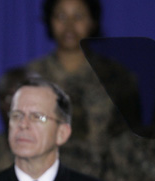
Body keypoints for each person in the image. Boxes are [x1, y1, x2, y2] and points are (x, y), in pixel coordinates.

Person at [26, 0, 140, 152]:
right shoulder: (30, 77)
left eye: (78, 16)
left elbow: (131, 142)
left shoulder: (117, 77)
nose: (69, 25)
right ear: (49, 20)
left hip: (102, 172)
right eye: (61, 16)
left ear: (93, 21)